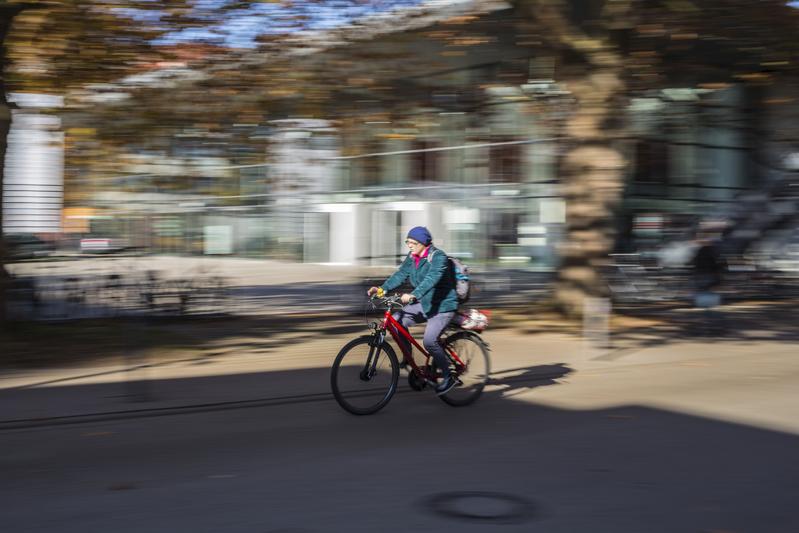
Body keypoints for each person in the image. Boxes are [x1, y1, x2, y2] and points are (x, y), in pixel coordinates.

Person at [367, 226, 459, 395]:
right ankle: (408, 357)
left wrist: (413, 295)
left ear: (423, 243)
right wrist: (382, 289)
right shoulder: (413, 256)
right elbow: (401, 274)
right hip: (425, 303)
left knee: (430, 341)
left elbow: (432, 279)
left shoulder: (438, 257)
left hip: (443, 306)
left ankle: (448, 377)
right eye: (407, 242)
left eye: (412, 242)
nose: (409, 245)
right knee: (396, 322)